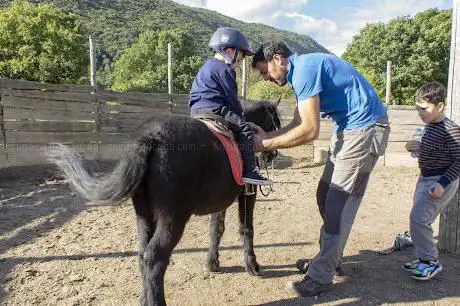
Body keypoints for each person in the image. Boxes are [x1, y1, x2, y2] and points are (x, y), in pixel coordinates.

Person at [251, 41, 390, 296]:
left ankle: (322, 274)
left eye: (264, 71)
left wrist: (263, 143)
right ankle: (327, 259)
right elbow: (297, 122)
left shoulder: (304, 70)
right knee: (324, 196)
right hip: (348, 129)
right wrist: (268, 136)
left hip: (365, 129)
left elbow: (309, 131)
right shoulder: (301, 72)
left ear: (278, 59)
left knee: (338, 203)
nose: (265, 78)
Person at [189, 27, 272, 186]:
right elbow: (232, 99)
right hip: (215, 109)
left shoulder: (206, 66)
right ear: (229, 51)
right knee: (244, 129)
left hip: (196, 110)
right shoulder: (225, 69)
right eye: (240, 58)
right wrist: (242, 120)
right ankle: (250, 171)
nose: (239, 63)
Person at [404, 81, 460, 280]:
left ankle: (430, 262)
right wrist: (417, 148)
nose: (420, 113)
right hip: (426, 177)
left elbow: (459, 160)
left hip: (439, 181)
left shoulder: (450, 129)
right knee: (416, 218)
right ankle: (422, 259)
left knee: (420, 219)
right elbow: (436, 150)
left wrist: (442, 183)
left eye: (424, 108)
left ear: (440, 107)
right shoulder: (430, 126)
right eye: (417, 108)